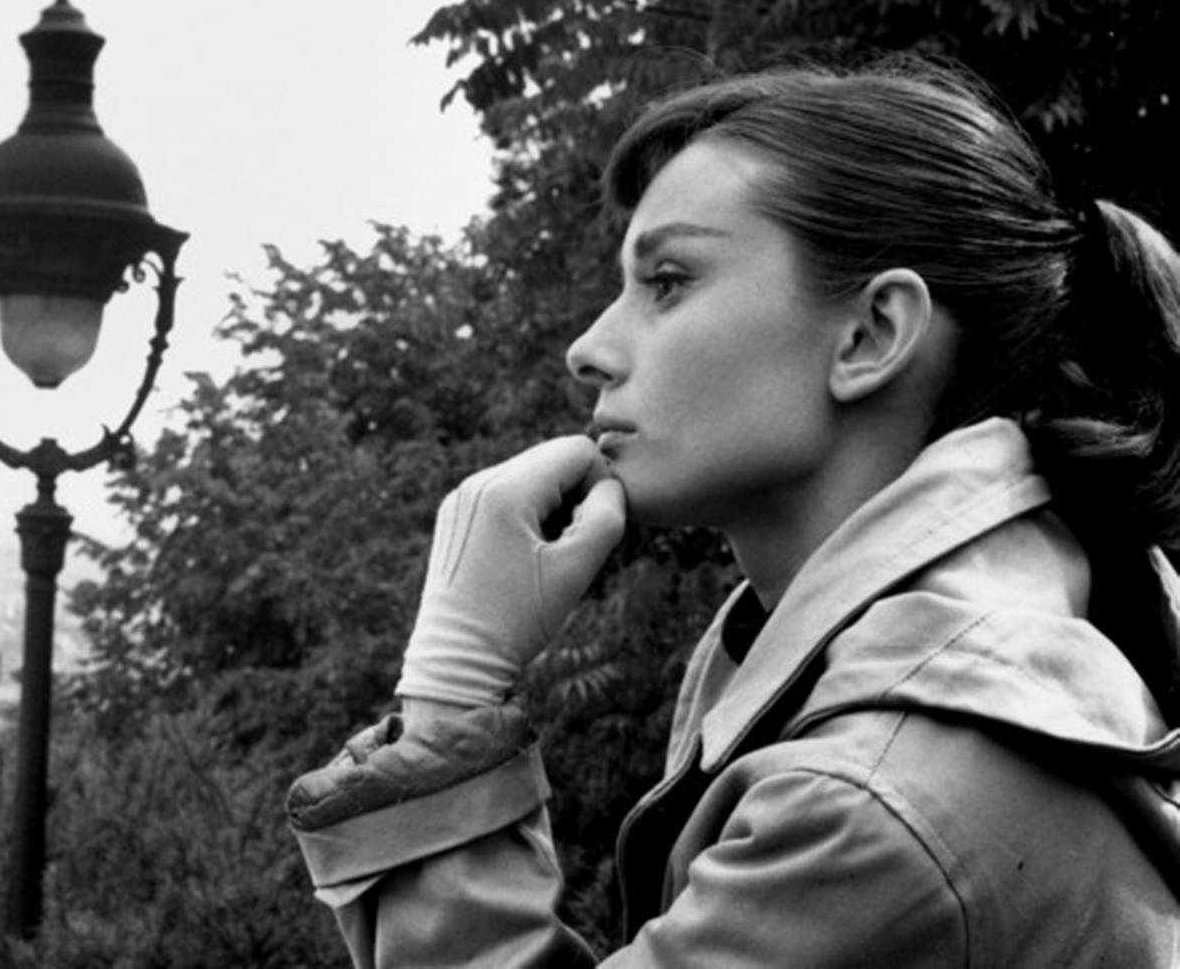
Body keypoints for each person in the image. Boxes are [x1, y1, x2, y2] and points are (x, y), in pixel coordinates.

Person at [284, 59, 1180, 967]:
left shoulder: (875, 803)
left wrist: (449, 694)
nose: (587, 350)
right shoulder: (1040, 635)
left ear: (870, 336)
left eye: (668, 280)